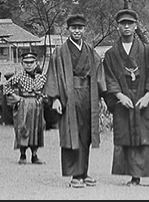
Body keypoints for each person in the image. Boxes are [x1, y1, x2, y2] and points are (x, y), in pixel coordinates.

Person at [102, 9, 149, 187]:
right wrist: (118, 96)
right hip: (122, 99)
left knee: (148, 137)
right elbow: (108, 78)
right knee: (128, 137)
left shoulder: (146, 51)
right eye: (123, 23)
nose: (126, 26)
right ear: (117, 27)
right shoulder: (111, 54)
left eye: (130, 23)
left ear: (135, 26)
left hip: (143, 97)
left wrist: (148, 96)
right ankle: (135, 176)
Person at [44, 14, 107, 188]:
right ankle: (74, 175)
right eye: (74, 28)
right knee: (72, 134)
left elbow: (99, 73)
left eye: (80, 28)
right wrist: (55, 98)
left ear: (84, 29)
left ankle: (84, 172)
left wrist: (101, 96)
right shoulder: (60, 52)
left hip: (88, 94)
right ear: (68, 29)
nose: (77, 31)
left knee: (85, 134)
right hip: (68, 95)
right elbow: (53, 75)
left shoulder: (89, 50)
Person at [3, 51, 47, 165]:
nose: (29, 65)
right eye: (26, 63)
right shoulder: (19, 76)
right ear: (22, 64)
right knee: (23, 127)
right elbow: (6, 86)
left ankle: (34, 155)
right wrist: (15, 97)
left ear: (36, 63)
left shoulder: (41, 78)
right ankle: (22, 154)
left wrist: (42, 98)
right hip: (23, 104)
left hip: (36, 105)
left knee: (36, 128)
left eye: (31, 62)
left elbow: (47, 90)